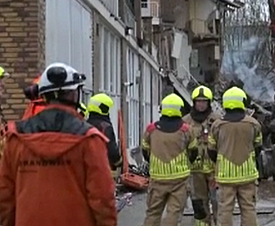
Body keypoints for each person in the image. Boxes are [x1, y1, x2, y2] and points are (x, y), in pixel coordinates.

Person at [0, 62, 117, 226]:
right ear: (73, 95)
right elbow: (103, 198)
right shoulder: (89, 140)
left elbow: (5, 198)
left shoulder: (15, 137)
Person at [141, 93, 198, 226]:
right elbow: (193, 152)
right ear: (179, 109)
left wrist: (154, 163)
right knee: (174, 212)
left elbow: (145, 150)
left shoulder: (151, 129)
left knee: (153, 212)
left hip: (157, 178)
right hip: (179, 179)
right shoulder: (186, 129)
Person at [208, 86, 262, 226]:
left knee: (225, 210)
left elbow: (211, 151)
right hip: (248, 174)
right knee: (248, 209)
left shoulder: (217, 125)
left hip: (225, 175)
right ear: (242, 102)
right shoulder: (253, 124)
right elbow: (258, 147)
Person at [183, 85, 219, 226]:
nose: (201, 104)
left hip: (213, 170)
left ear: (209, 102)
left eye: (204, 101)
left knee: (218, 202)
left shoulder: (216, 120)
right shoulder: (185, 122)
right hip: (195, 170)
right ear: (194, 102)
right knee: (199, 204)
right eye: (198, 101)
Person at [86, 93, 122, 174]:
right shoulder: (105, 127)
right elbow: (112, 151)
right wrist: (120, 162)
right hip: (104, 171)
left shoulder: (84, 125)